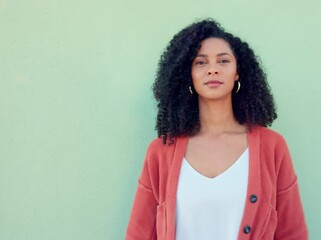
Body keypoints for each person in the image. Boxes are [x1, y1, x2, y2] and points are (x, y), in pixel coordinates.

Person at [125, 18, 308, 240]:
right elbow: (139, 234)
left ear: (237, 72)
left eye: (223, 61)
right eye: (201, 63)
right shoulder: (161, 151)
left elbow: (292, 233)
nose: (212, 69)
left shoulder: (272, 147)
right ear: (188, 75)